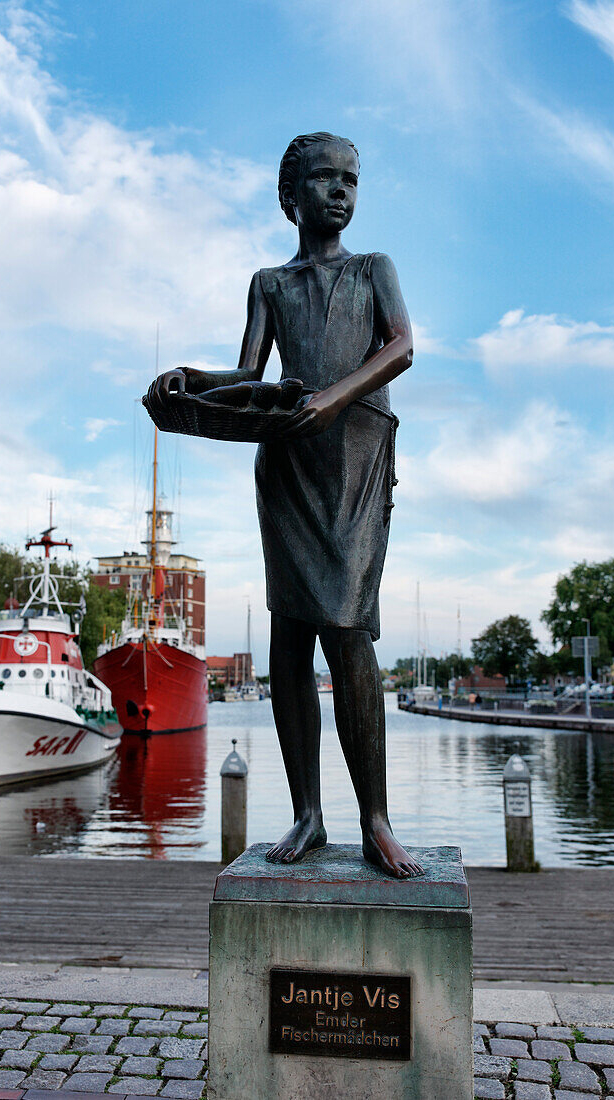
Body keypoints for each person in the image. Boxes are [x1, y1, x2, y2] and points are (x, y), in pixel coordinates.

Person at [150, 132, 421, 878]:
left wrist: (333, 400)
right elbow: (249, 370)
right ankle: (308, 813)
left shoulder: (375, 270)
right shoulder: (269, 282)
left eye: (351, 181)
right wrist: (192, 379)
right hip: (289, 461)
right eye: (325, 179)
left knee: (348, 626)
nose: (340, 191)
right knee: (292, 632)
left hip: (357, 456)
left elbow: (400, 349)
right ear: (289, 196)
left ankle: (376, 819)